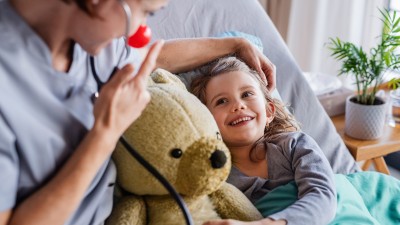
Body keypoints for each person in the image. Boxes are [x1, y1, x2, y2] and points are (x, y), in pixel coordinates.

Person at [0, 0, 277, 224]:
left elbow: (153, 57)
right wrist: (103, 135)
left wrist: (234, 46)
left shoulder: (89, 37)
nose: (140, 31)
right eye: (144, 12)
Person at [190, 56, 337, 225]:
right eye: (222, 101)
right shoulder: (217, 177)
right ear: (207, 120)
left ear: (269, 111)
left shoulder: (295, 144)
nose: (238, 105)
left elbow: (323, 196)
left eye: (247, 94)